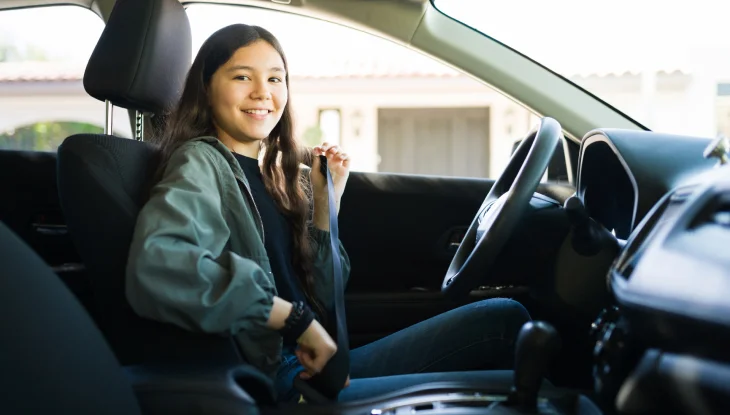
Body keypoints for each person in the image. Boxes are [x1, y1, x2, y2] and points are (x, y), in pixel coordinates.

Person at [126, 23, 531, 403]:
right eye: (241, 77)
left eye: (274, 78)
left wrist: (325, 204)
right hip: (279, 380)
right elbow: (160, 264)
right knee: (524, 377)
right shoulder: (201, 163)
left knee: (503, 318)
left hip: (316, 361)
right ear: (207, 88)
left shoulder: (276, 172)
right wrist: (293, 319)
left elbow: (321, 295)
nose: (262, 92)